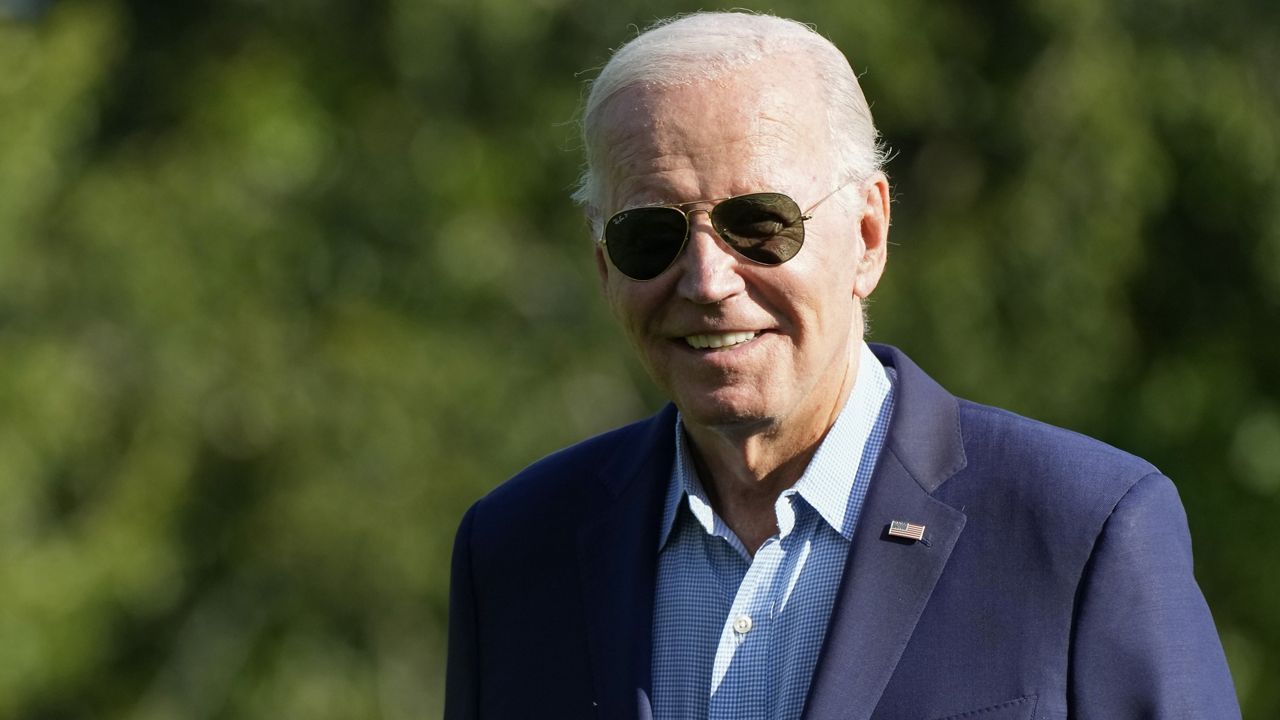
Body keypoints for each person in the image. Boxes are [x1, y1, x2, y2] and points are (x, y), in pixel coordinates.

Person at [445, 12, 1240, 720]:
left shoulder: (1081, 530)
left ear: (868, 235)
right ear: (603, 263)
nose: (707, 282)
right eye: (650, 235)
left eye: (760, 224)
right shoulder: (515, 553)